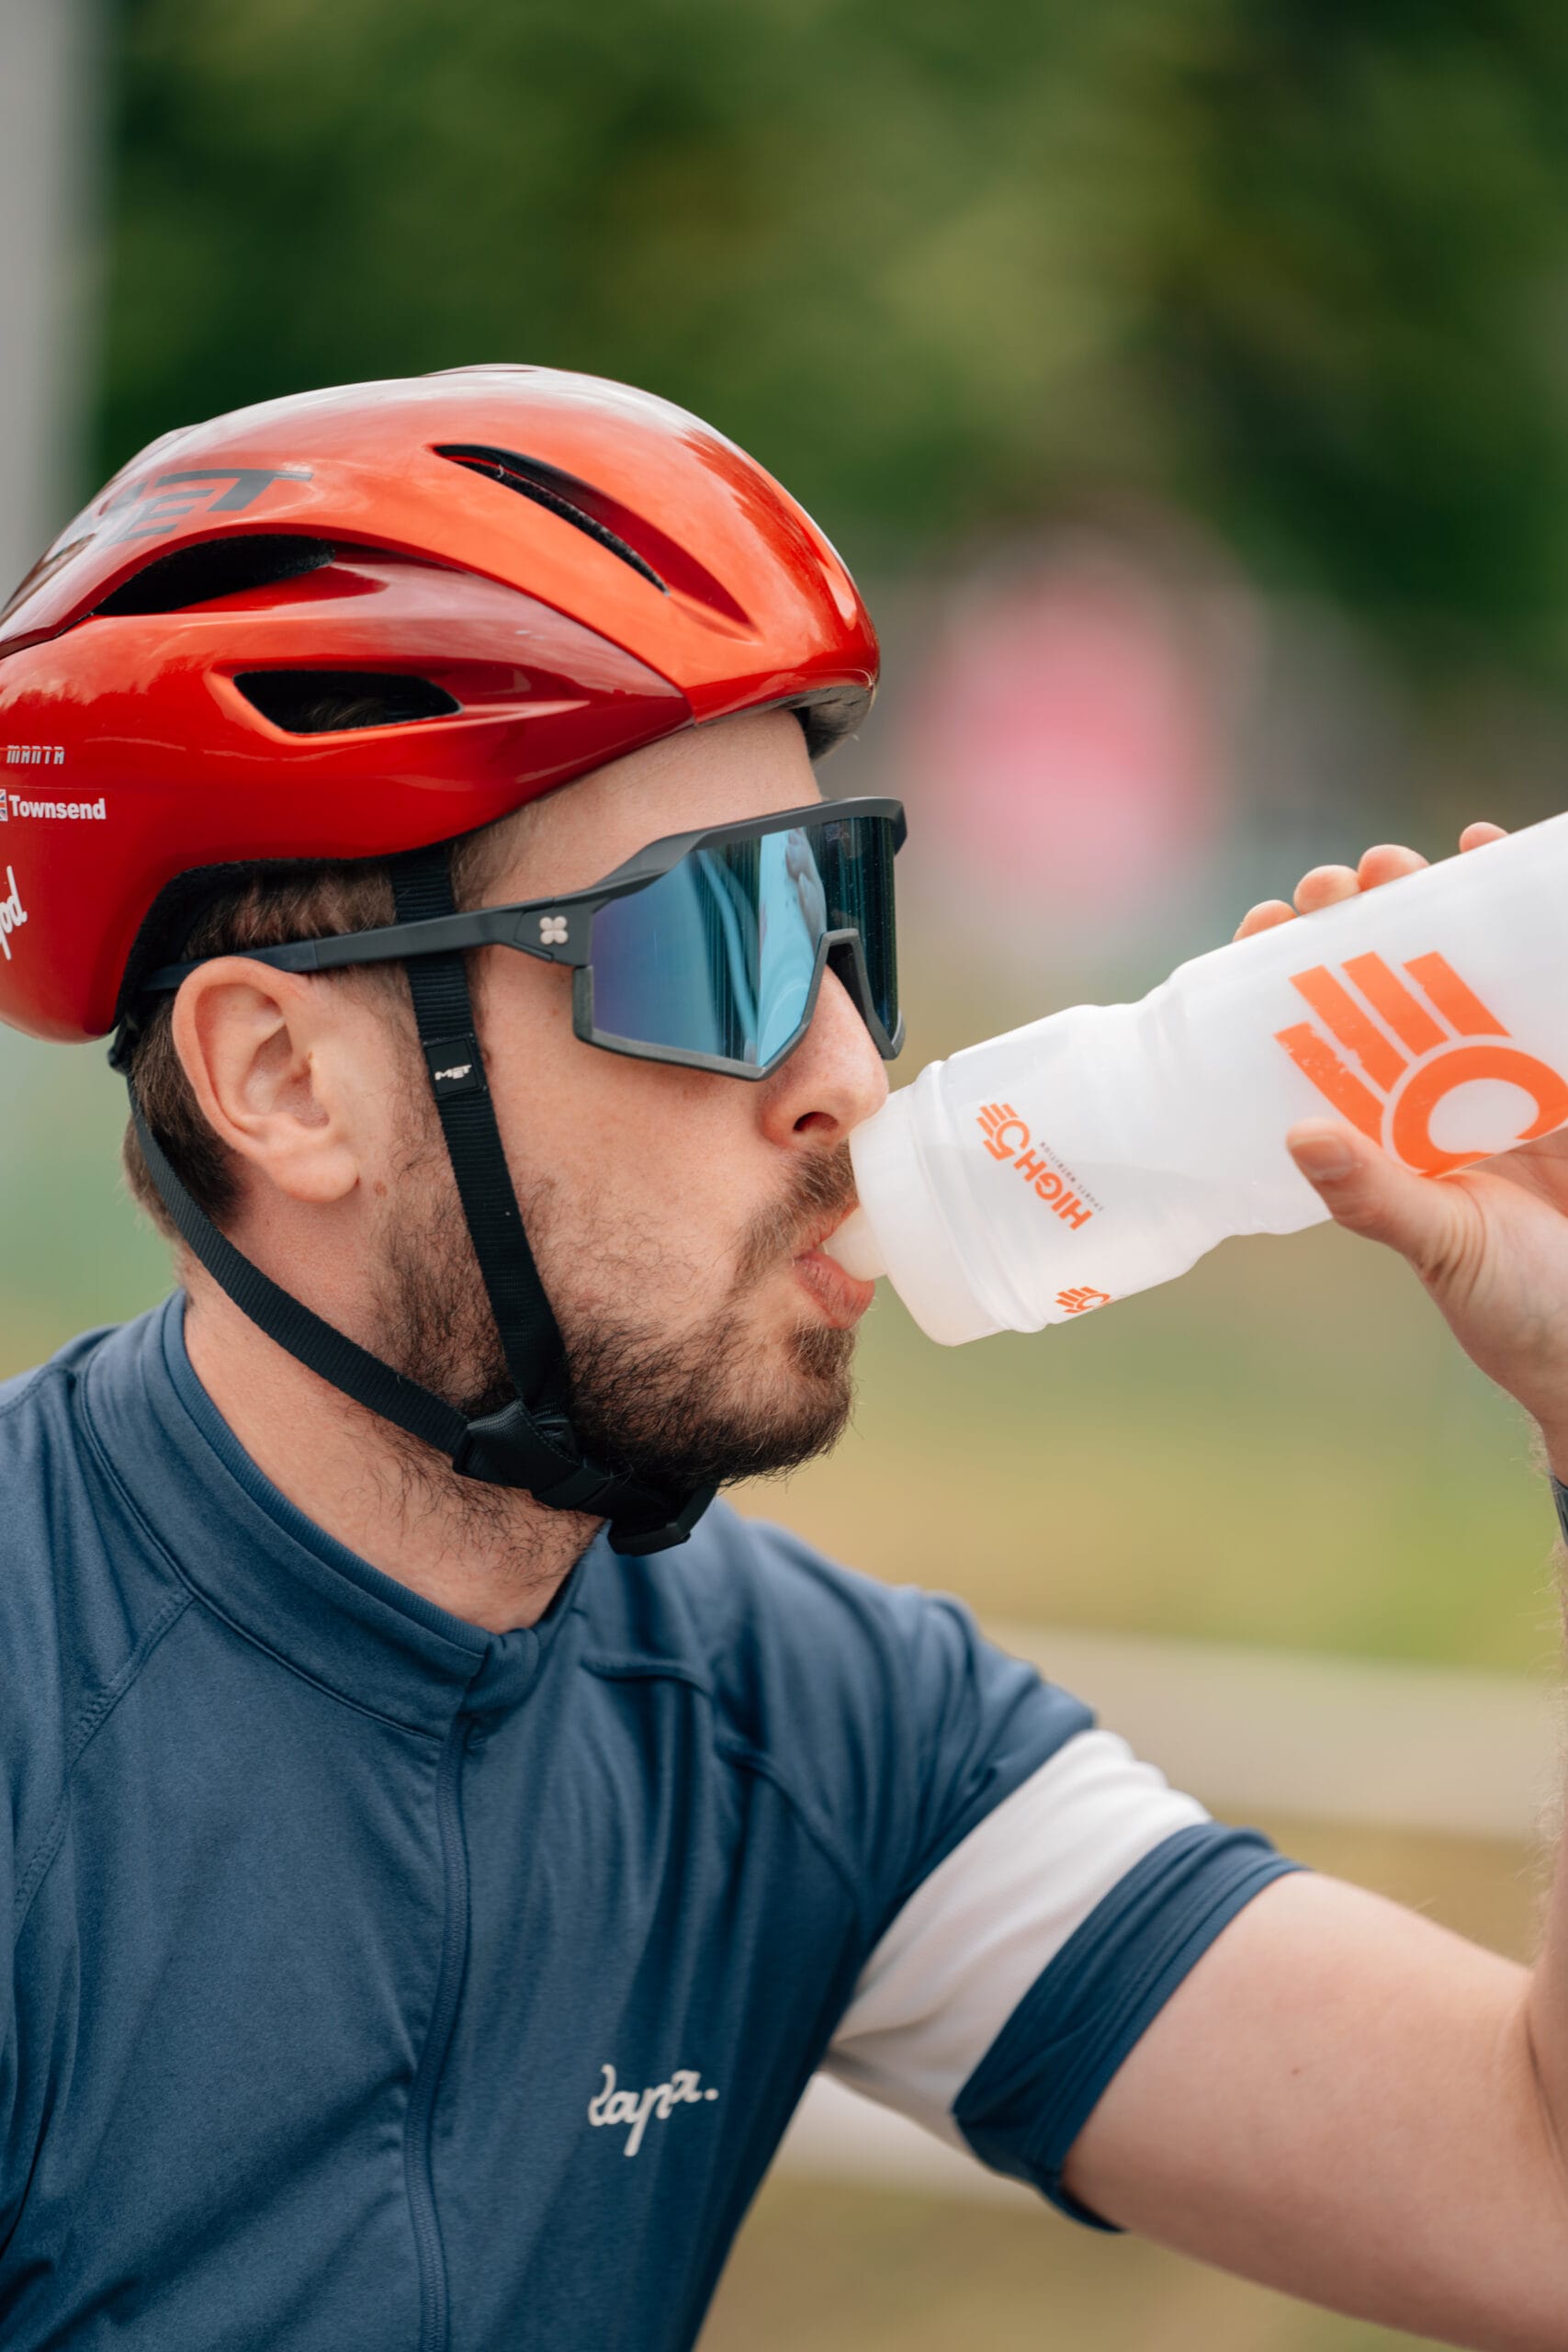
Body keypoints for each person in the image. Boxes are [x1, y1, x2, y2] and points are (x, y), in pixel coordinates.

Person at [0, 367, 1561, 2352]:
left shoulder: (810, 1727)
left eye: (835, 914)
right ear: (287, 1078)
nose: (844, 1064)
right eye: (710, 945)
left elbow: (1533, 2200)